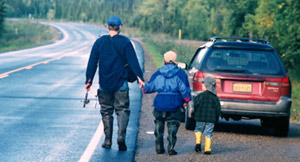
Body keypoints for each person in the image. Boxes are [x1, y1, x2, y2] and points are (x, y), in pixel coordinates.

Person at [85, 16, 144, 151]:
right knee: (122, 110)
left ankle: (107, 140)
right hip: (121, 83)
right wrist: (140, 78)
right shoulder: (125, 42)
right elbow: (133, 61)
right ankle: (121, 137)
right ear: (120, 27)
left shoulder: (99, 42)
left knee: (106, 111)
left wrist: (89, 80)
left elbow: (92, 63)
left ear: (107, 27)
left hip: (104, 83)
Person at [140, 51, 191, 155]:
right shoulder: (181, 73)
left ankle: (159, 147)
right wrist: (186, 100)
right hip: (175, 103)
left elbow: (148, 88)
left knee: (159, 124)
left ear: (165, 60)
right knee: (173, 126)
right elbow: (184, 90)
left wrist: (143, 86)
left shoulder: (158, 72)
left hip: (160, 103)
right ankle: (171, 148)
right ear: (175, 60)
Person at [193, 76, 221, 154]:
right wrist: (216, 118)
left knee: (198, 129)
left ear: (207, 85)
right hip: (211, 119)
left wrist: (194, 114)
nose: (202, 85)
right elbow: (218, 109)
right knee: (208, 133)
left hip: (200, 117)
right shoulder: (215, 98)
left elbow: (195, 105)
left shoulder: (200, 96)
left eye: (203, 84)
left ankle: (198, 143)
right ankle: (207, 149)